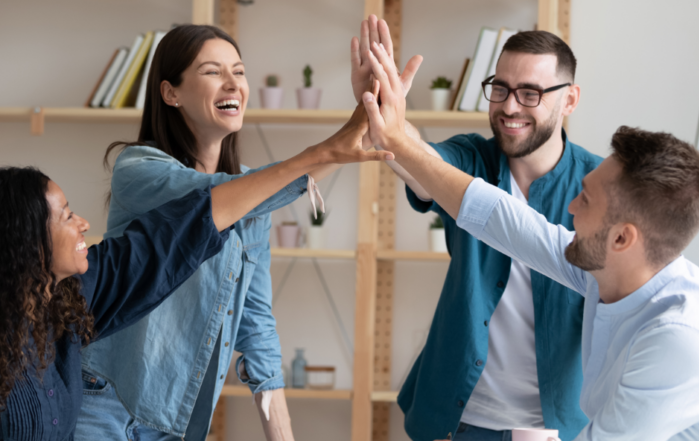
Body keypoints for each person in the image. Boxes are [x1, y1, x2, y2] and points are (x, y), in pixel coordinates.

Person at [360, 37, 699, 441]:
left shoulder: (677, 338)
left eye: (584, 200)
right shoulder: (601, 270)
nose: (570, 209)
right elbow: (503, 220)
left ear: (623, 240)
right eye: (501, 88)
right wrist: (394, 135)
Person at [75, 24, 375, 441]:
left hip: (175, 415)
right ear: (171, 93)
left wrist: (282, 433)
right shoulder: (138, 170)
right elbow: (211, 202)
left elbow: (256, 323)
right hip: (103, 400)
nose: (233, 83)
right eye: (213, 71)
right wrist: (334, 143)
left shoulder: (253, 198)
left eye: (239, 70)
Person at [0, 127, 388, 440]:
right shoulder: (138, 166)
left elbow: (184, 229)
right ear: (26, 240)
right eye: (67, 216)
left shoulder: (75, 294)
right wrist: (325, 153)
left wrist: (327, 153)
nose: (83, 223)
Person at [350, 17, 601, 440]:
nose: (508, 106)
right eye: (499, 88)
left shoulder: (599, 187)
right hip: (459, 422)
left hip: (557, 428)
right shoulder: (472, 159)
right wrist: (384, 115)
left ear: (570, 100)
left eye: (530, 93)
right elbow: (421, 163)